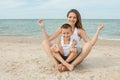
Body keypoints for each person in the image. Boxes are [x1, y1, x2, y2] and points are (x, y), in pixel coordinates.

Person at [38, 9, 104, 72]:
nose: (72, 19)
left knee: (88, 45)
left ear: (77, 19)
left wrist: (98, 29)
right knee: (44, 42)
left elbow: (92, 43)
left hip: (73, 57)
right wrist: (42, 27)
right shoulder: (62, 28)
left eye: (74, 17)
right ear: (67, 18)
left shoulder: (79, 31)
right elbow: (48, 39)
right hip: (61, 56)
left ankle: (70, 65)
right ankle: (57, 64)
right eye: (70, 17)